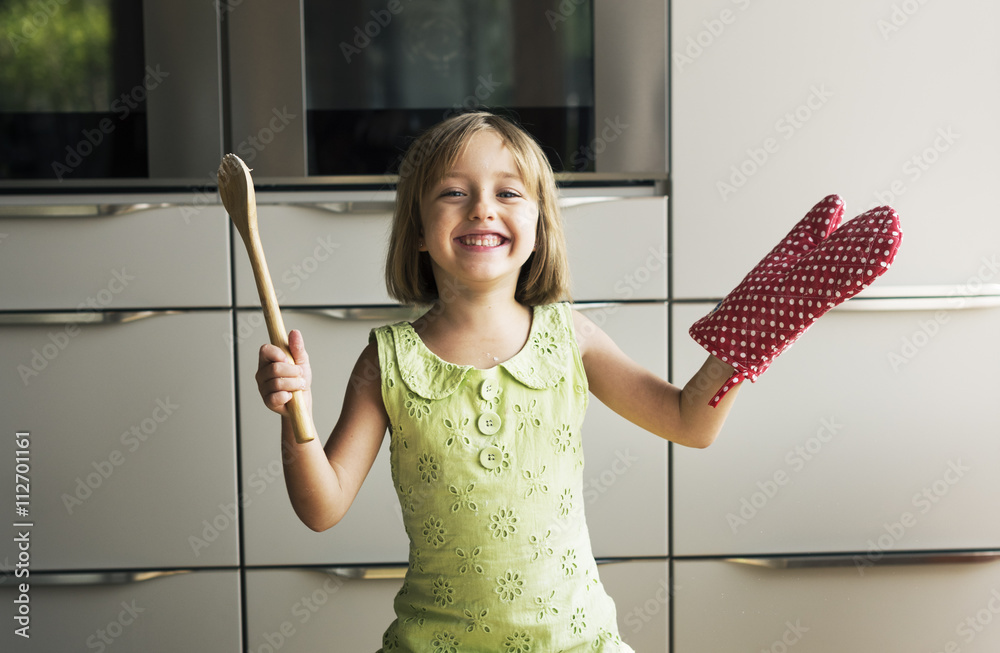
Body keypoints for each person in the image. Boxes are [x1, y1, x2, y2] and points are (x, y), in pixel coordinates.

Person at [254, 111, 899, 652]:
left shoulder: (571, 339)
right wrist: (295, 412)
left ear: (538, 227)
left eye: (509, 192)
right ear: (418, 231)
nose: (482, 207)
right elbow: (322, 507)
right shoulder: (387, 360)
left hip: (575, 641)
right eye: (453, 192)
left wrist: (746, 339)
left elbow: (688, 423)